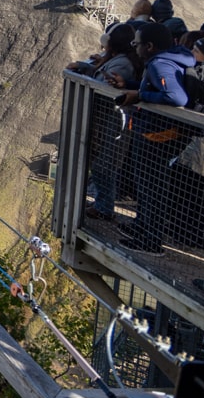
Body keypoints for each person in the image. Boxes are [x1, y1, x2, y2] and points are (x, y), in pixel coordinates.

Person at [114, 23, 196, 255]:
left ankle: (149, 240)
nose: (135, 47)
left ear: (149, 46)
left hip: (157, 136)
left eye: (137, 43)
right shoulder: (169, 60)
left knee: (151, 188)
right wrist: (129, 86)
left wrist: (139, 96)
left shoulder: (160, 63)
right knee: (149, 186)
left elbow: (176, 97)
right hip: (161, 134)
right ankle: (142, 229)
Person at [70, 22, 140, 222]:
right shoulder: (118, 59)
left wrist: (83, 70)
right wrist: (87, 65)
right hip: (109, 120)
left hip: (115, 121)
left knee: (104, 164)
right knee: (102, 163)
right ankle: (102, 204)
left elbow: (102, 87)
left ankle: (104, 208)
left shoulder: (123, 64)